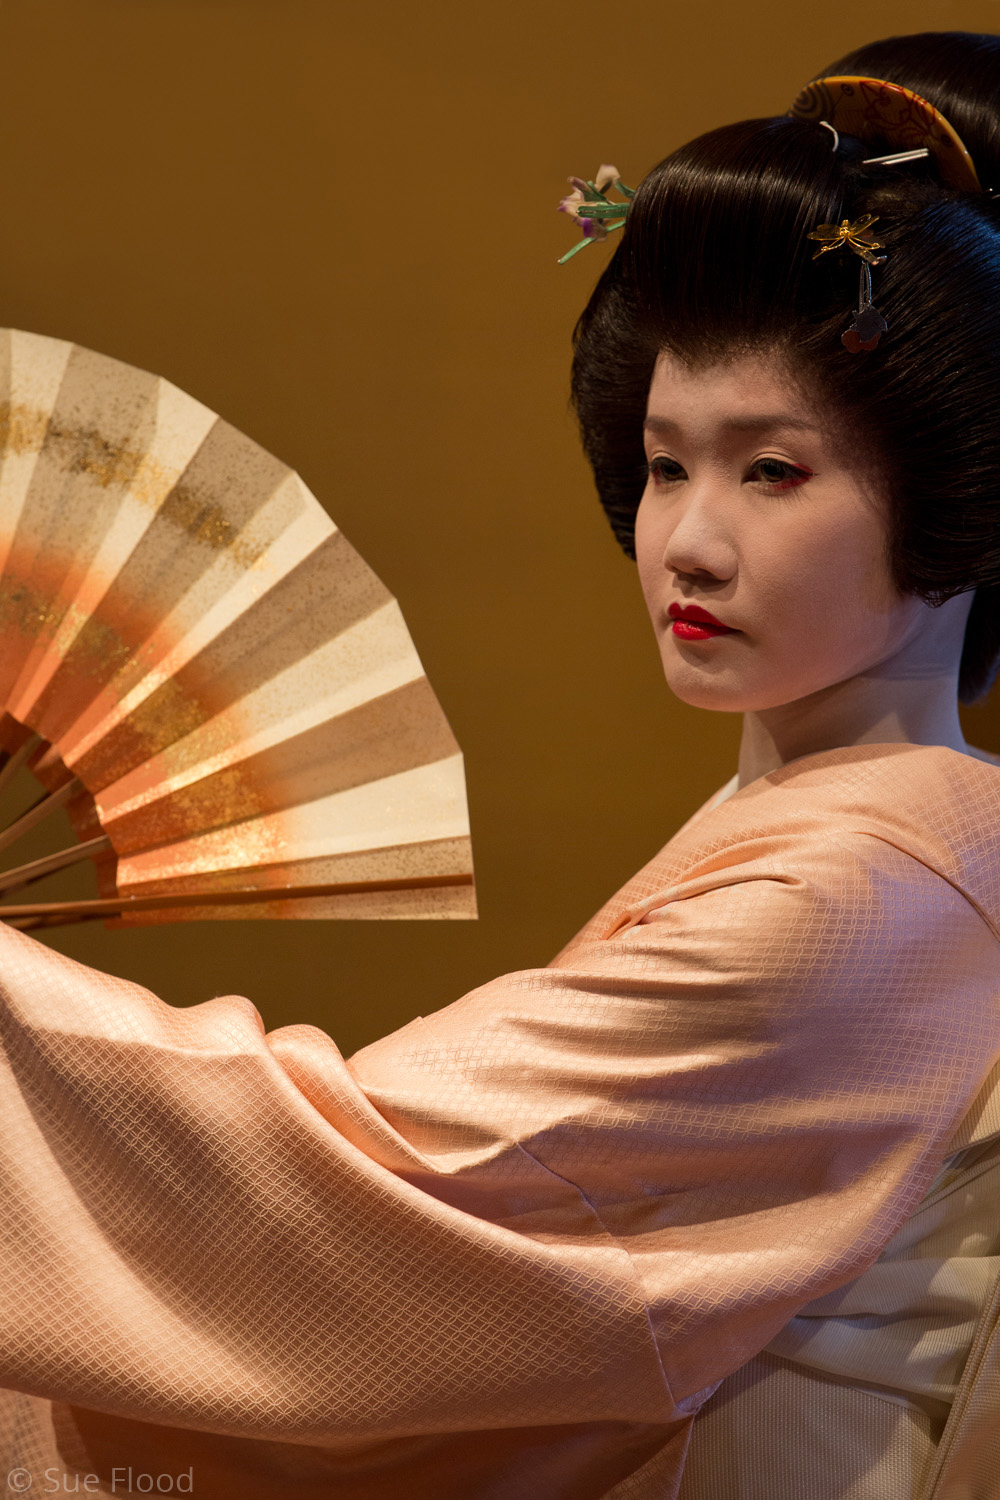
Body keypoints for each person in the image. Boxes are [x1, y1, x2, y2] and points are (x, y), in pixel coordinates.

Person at [2, 27, 1000, 1500]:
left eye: (772, 469)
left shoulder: (866, 890)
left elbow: (358, 1198)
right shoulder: (868, 832)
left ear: (956, 497)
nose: (690, 539)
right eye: (666, 463)